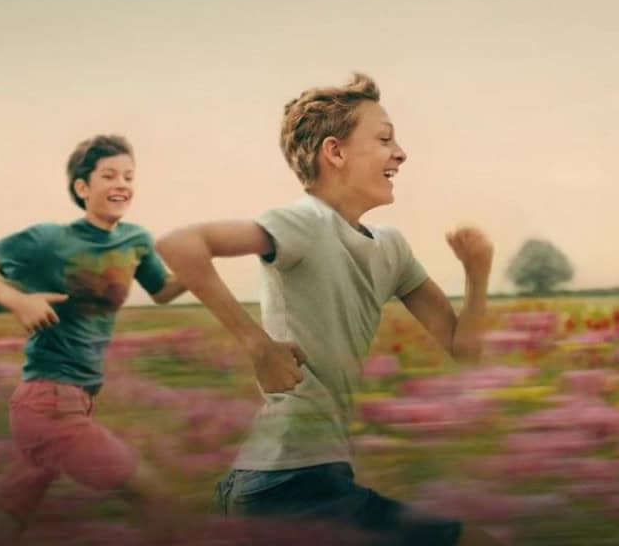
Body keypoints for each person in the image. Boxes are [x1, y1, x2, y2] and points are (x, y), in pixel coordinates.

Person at [155, 73, 501, 545]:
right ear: (335, 152)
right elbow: (179, 244)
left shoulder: (392, 249)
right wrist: (258, 345)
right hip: (286, 487)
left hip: (307, 479)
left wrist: (477, 275)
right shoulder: (304, 221)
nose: (401, 153)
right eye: (384, 139)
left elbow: (465, 352)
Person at [0, 134, 186, 544]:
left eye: (129, 176)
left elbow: (163, 290)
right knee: (155, 499)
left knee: (9, 516)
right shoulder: (48, 239)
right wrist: (17, 300)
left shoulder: (136, 241)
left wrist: (204, 262)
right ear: (82, 187)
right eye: (109, 175)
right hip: (49, 405)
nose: (122, 184)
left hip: (70, 400)